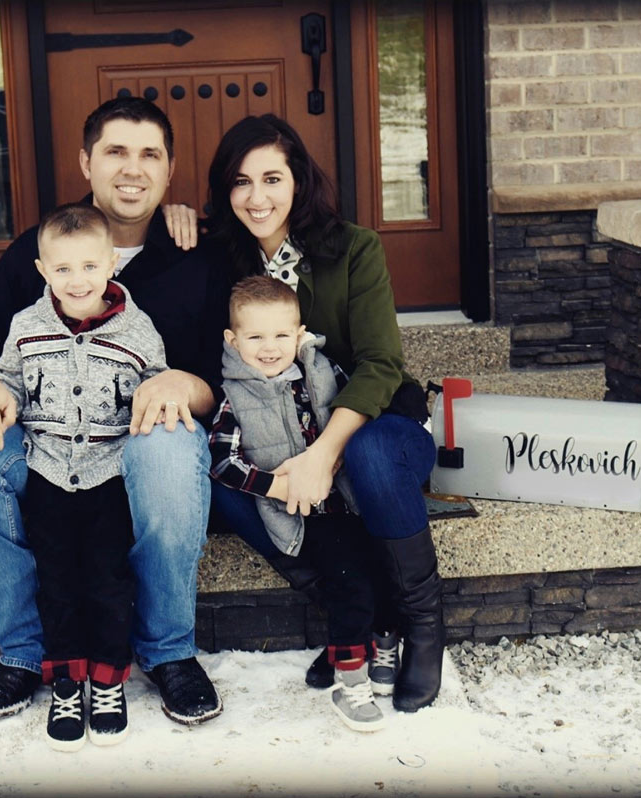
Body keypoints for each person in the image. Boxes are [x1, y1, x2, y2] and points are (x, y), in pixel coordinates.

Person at [0, 96, 227, 725]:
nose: (132, 169)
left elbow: (225, 382)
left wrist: (182, 384)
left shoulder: (195, 252)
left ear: (170, 171)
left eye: (150, 155)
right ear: (86, 161)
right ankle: (24, 652)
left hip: (141, 446)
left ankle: (168, 650)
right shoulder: (37, 253)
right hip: (47, 446)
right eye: (116, 151)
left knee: (170, 447)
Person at [205, 114, 442, 713]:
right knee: (208, 467)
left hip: (379, 425)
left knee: (368, 454)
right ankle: (348, 618)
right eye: (239, 182)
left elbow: (381, 365)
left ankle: (419, 628)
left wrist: (321, 454)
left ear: (299, 181)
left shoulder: (352, 248)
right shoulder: (219, 261)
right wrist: (169, 217)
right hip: (279, 436)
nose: (256, 198)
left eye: (271, 178)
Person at [0, 203, 168, 751]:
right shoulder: (26, 326)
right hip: (47, 474)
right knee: (58, 581)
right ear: (44, 270)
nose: (77, 280)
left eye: (90, 267)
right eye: (63, 269)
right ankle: (68, 682)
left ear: (112, 264)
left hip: (108, 477)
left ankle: (109, 679)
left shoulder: (137, 329)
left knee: (108, 581)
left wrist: (154, 397)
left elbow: (156, 382)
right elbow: (9, 383)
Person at [210, 276, 399, 730]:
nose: (270, 348)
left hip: (349, 498)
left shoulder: (323, 371)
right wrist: (277, 487)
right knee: (348, 584)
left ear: (299, 335)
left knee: (384, 566)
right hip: (305, 515)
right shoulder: (235, 397)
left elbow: (354, 418)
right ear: (233, 342)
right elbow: (222, 462)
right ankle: (350, 682)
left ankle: (382, 642)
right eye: (255, 337)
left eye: (281, 335)